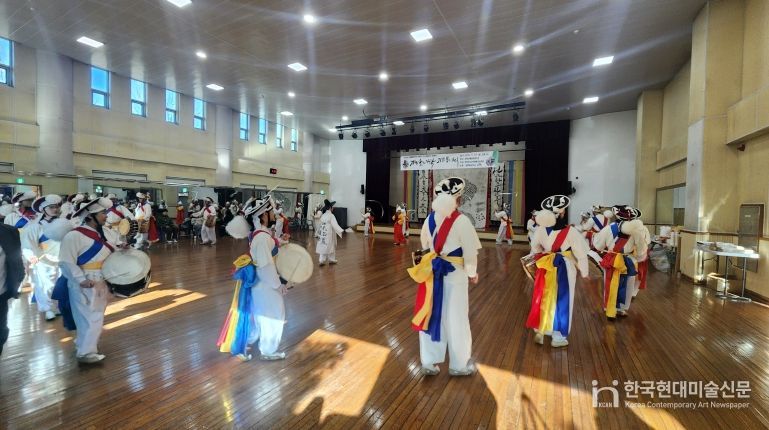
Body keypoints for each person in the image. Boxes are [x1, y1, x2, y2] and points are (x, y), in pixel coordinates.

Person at [408, 177, 481, 376]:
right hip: (455, 275)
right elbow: (470, 253)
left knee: (432, 314)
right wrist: (472, 273)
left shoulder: (429, 220)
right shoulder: (462, 221)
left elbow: (425, 246)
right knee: (457, 318)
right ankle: (459, 365)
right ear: (458, 199)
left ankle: (429, 362)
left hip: (432, 274)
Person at [219, 196, 289, 361]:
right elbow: (265, 266)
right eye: (270, 211)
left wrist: (279, 241)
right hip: (265, 283)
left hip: (260, 282)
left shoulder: (259, 235)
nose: (273, 214)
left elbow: (268, 247)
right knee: (273, 314)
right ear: (263, 215)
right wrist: (278, 285)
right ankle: (268, 350)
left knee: (259, 313)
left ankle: (249, 340)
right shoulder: (262, 238)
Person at [525, 195, 589, 347]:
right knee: (563, 299)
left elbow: (535, 248)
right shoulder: (571, 231)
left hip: (546, 265)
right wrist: (584, 272)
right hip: (565, 266)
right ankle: (558, 337)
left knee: (545, 295)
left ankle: (543, 328)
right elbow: (581, 253)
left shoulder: (540, 229)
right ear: (562, 213)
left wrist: (546, 253)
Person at [58, 197, 115, 363]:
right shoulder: (73, 236)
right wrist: (80, 279)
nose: (106, 216)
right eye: (103, 213)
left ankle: (84, 345)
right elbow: (66, 261)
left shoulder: (105, 233)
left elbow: (112, 249)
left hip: (101, 280)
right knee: (88, 317)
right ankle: (86, 353)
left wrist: (122, 248)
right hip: (85, 282)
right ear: (90, 216)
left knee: (95, 315)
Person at [592, 205, 647, 319]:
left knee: (610, 283)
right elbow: (641, 250)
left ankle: (609, 308)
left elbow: (598, 246)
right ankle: (621, 309)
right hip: (628, 259)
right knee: (628, 285)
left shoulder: (608, 229)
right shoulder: (636, 231)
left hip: (612, 259)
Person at [23, 195, 64, 321]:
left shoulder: (63, 223)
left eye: (57, 207)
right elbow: (27, 243)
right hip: (43, 259)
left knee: (59, 284)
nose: (55, 209)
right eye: (51, 207)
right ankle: (48, 309)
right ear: (43, 209)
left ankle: (57, 307)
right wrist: (32, 256)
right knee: (45, 285)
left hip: (62, 258)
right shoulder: (35, 226)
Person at [1, 223, 25, 356]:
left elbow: (16, 259)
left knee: (1, 332)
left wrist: (18, 277)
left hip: (1, 293)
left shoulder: (8, 232)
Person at [315, 199, 344, 265]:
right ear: (330, 208)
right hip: (329, 233)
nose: (333, 208)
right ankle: (331, 259)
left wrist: (317, 232)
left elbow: (319, 224)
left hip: (323, 233)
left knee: (323, 245)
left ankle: (321, 260)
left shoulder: (323, 215)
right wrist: (340, 230)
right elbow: (335, 225)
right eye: (332, 207)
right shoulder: (331, 215)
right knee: (331, 246)